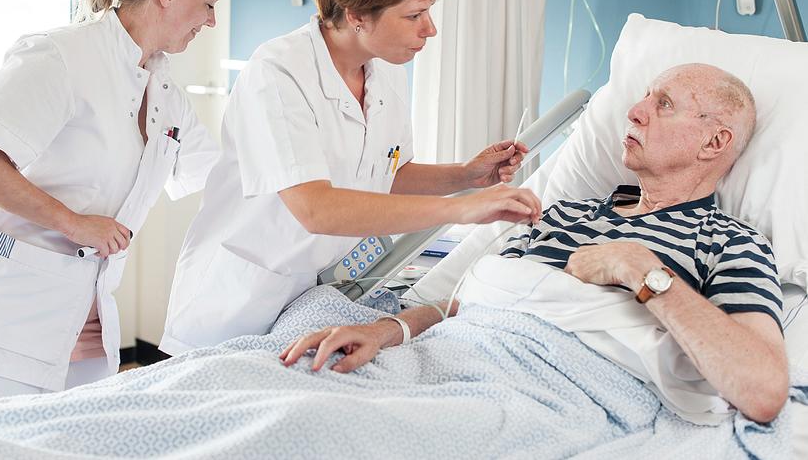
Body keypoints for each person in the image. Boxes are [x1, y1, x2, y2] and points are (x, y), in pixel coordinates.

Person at [281, 63, 790, 424]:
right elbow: (471, 301)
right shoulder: (568, 211)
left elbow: (762, 389)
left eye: (665, 104)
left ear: (714, 142)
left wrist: (640, 269)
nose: (635, 111)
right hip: (446, 358)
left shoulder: (729, 242)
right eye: (644, 97)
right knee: (286, 394)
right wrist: (388, 330)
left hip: (548, 394)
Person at [160, 0, 541, 354]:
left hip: (312, 300)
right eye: (414, 14)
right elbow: (316, 208)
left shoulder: (385, 69)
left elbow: (384, 172)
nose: (430, 29)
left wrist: (468, 176)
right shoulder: (278, 73)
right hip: (238, 300)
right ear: (357, 14)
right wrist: (461, 211)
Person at [0, 0, 225, 405]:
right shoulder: (62, 55)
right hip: (7, 310)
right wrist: (72, 222)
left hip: (87, 312)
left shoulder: (164, 89)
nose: (211, 20)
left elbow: (223, 178)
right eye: (209, 3)